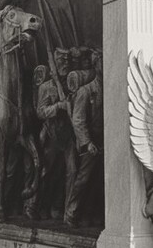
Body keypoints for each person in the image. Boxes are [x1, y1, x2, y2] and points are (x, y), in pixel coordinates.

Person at [64, 48, 103, 227]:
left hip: (105, 140)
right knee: (83, 179)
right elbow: (78, 119)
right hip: (91, 142)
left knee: (98, 180)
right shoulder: (86, 91)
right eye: (100, 63)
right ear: (96, 66)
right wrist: (87, 143)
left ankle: (90, 214)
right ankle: (71, 213)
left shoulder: (110, 89)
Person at [36, 48, 76, 220]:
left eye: (67, 61)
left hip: (69, 135)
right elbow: (40, 112)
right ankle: (42, 205)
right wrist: (58, 107)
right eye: (62, 61)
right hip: (52, 135)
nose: (65, 65)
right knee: (48, 172)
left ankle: (66, 209)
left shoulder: (72, 83)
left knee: (71, 171)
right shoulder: (46, 87)